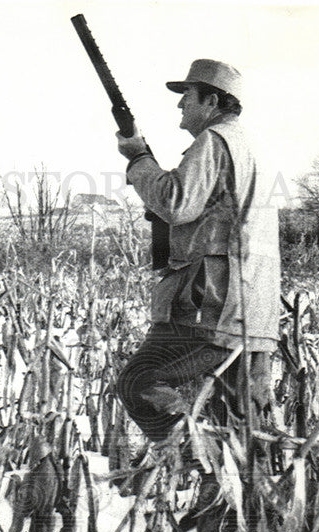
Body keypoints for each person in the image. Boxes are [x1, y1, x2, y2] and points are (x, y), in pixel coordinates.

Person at [115, 59, 280, 447]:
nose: (180, 105)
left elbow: (175, 202)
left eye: (186, 95)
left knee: (139, 382)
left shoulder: (214, 141)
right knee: (245, 423)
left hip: (211, 307)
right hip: (253, 311)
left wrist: (139, 159)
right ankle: (233, 495)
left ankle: (194, 457)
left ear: (212, 100)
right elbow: (211, 215)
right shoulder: (250, 146)